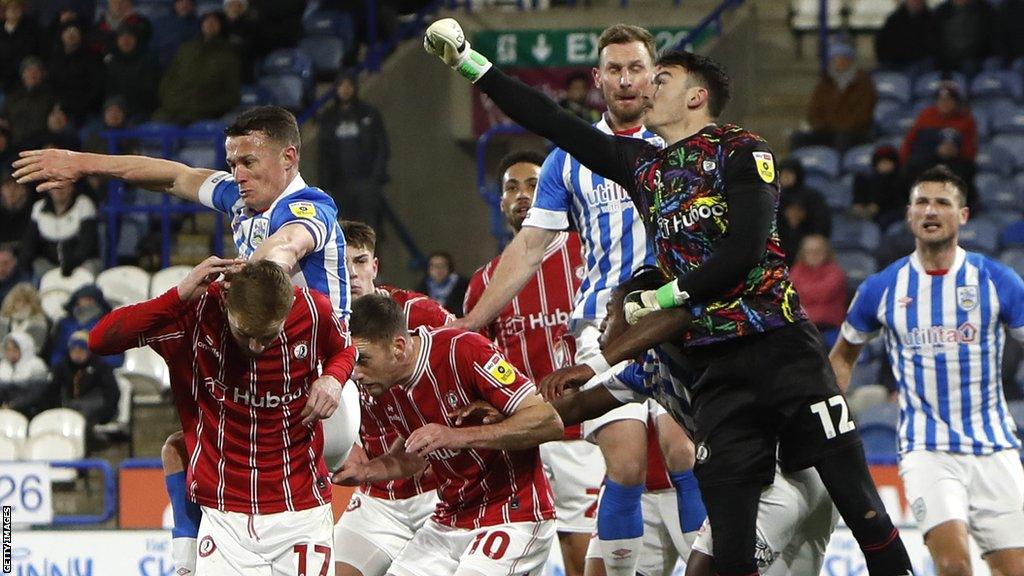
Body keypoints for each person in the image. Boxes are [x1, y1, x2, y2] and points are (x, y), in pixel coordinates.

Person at [424, 19, 914, 574]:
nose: (645, 86)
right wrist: (471, 64)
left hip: (783, 352)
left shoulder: (743, 150)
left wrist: (658, 301)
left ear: (696, 95)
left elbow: (746, 250)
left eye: (661, 77)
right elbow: (552, 121)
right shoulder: (643, 168)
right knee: (730, 540)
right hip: (714, 376)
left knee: (864, 509)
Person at [14, 104, 357, 576]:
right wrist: (81, 161)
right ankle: (186, 561)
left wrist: (248, 279)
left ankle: (192, 558)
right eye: (232, 162)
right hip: (268, 371)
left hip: (323, 387)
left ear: (289, 158)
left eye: (248, 163)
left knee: (198, 439)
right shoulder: (243, 200)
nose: (236, 174)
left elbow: (288, 244)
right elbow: (175, 176)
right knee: (181, 446)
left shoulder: (306, 207)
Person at [447, 24, 666, 576]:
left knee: (690, 458)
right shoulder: (569, 160)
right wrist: (468, 322)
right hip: (604, 326)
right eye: (613, 70)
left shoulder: (680, 148)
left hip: (675, 321)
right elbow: (528, 249)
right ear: (598, 79)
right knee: (627, 464)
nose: (624, 79)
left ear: (654, 76)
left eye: (634, 68)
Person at [535, 270, 837, 576]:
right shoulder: (648, 371)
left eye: (610, 312)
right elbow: (576, 407)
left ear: (638, 313)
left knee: (702, 570)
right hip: (809, 477)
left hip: (778, 478)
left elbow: (676, 317)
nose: (601, 325)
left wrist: (595, 364)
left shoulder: (701, 344)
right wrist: (505, 412)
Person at [89, 258, 355, 575]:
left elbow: (346, 348)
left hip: (303, 511)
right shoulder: (198, 314)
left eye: (269, 335)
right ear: (227, 303)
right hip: (225, 516)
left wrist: (334, 378)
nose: (257, 345)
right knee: (174, 448)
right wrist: (178, 294)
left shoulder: (313, 311)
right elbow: (100, 340)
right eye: (246, 333)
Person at [830, 166, 1024, 576]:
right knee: (954, 565)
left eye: (942, 203)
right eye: (921, 202)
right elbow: (843, 356)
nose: (930, 210)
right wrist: (826, 419)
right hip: (927, 450)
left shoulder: (997, 281)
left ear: (963, 215)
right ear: (909, 214)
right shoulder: (882, 288)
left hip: (995, 449)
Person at [335, 293, 563, 576]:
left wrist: (457, 436)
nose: (355, 373)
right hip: (450, 517)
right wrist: (366, 471)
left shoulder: (465, 350)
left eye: (363, 360)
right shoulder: (384, 384)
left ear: (399, 347)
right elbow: (415, 459)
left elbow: (548, 420)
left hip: (513, 514)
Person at [463, 150, 600, 576]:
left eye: (533, 186)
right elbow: (473, 363)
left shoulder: (591, 256)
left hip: (582, 435)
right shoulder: (485, 282)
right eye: (511, 188)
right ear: (500, 202)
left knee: (588, 556)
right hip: (521, 440)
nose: (522, 196)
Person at [332, 219, 451, 576]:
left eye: (360, 261)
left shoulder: (421, 314)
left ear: (375, 266)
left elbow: (467, 359)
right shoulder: (324, 324)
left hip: (440, 494)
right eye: (341, 262)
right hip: (379, 499)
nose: (351, 273)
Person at [317, 71, 390, 231]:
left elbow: (381, 147)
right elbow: (324, 155)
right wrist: (325, 185)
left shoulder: (369, 113)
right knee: (343, 230)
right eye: (341, 85)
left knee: (368, 230)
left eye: (349, 85)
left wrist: (375, 179)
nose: (345, 89)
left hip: (366, 184)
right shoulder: (328, 118)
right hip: (339, 185)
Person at [154, 10, 241, 125]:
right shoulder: (186, 49)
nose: (210, 24)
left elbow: (231, 94)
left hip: (206, 114)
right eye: (207, 20)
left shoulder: (229, 55)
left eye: (214, 21)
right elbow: (168, 80)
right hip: (172, 110)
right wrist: (171, 103)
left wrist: (205, 107)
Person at [795, 42, 876, 152]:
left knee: (842, 139)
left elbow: (864, 114)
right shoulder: (825, 82)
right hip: (826, 130)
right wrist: (822, 126)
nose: (838, 62)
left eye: (842, 58)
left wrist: (841, 126)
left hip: (854, 132)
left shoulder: (864, 83)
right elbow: (815, 110)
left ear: (850, 60)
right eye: (835, 59)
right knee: (799, 137)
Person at [901, 82, 977, 191]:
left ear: (956, 102)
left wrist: (955, 151)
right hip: (927, 160)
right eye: (941, 100)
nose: (944, 103)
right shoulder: (926, 116)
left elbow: (970, 150)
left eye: (949, 100)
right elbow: (909, 141)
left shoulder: (966, 120)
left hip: (954, 162)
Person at [21, 182, 99, 277]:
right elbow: (30, 242)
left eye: (64, 184)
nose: (59, 189)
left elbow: (87, 243)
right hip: (48, 263)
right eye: (54, 185)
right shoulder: (38, 207)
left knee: (89, 269)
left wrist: (72, 263)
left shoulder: (84, 204)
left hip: (80, 263)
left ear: (72, 187)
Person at [51, 329, 120, 429]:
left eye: (81, 350)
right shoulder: (62, 367)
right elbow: (53, 391)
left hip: (95, 409)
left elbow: (112, 393)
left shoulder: (100, 366)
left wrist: (103, 417)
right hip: (69, 408)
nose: (77, 353)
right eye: (73, 350)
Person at [788, 235, 847, 336]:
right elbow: (789, 294)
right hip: (799, 326)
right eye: (809, 251)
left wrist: (802, 295)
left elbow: (823, 294)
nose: (813, 255)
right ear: (803, 253)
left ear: (826, 252)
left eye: (818, 251)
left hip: (828, 327)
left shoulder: (836, 272)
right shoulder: (796, 270)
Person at [46, 19, 102, 124]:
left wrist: (79, 104)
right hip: (59, 108)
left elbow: (95, 87)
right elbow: (50, 84)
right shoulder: (55, 58)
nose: (71, 35)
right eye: (68, 31)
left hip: (85, 111)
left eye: (75, 31)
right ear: (62, 35)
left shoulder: (91, 58)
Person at [777, 158, 831, 264]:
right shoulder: (777, 198)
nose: (786, 177)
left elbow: (822, 223)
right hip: (783, 247)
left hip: (809, 248)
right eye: (783, 174)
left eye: (789, 173)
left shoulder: (813, 197)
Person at [103, 22, 159, 119]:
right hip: (113, 111)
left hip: (141, 112)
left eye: (129, 37)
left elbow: (149, 93)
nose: (125, 41)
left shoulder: (148, 61)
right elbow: (107, 91)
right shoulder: (111, 62)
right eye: (122, 38)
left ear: (136, 40)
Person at [1, 57, 56, 148]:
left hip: (39, 145)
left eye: (37, 71)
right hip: (13, 145)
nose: (33, 74)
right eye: (29, 70)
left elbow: (54, 125)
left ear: (42, 75)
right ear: (22, 74)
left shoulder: (49, 98)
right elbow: (4, 120)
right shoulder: (12, 97)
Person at [850, 145, 909, 231]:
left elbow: (902, 203)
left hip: (893, 215)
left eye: (887, 162)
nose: (884, 165)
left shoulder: (901, 180)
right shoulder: (866, 179)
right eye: (881, 162)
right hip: (872, 215)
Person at [875, 0, 937, 73]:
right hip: (895, 62)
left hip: (920, 64)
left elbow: (933, 45)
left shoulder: (931, 19)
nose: (916, 2)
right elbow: (882, 43)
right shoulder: (894, 19)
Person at [933, 0, 993, 75]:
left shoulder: (984, 9)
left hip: (975, 57)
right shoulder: (941, 11)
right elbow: (935, 39)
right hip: (946, 58)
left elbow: (986, 38)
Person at [0, 330, 50, 417]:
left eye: (14, 350)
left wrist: (13, 406)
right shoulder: (3, 367)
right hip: (5, 411)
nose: (11, 353)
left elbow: (34, 395)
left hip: (30, 411)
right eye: (8, 350)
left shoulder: (36, 366)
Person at [0, 0, 41, 92]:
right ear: (4, 10)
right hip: (3, 80)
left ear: (22, 9)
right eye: (10, 7)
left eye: (17, 7)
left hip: (26, 80)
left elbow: (38, 52)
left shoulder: (32, 27)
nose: (13, 10)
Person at [416, 251, 469, 316]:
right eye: (434, 266)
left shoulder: (463, 286)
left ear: (449, 267)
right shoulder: (421, 288)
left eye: (442, 265)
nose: (438, 269)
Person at [0, 282, 47, 353]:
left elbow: (36, 349)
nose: (22, 305)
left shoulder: (39, 323)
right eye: (18, 301)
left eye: (26, 302)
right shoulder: (3, 320)